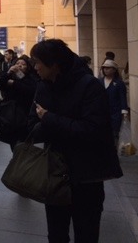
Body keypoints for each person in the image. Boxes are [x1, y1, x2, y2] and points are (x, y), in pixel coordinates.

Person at [30, 39, 122, 243]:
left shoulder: (89, 86)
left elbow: (92, 130)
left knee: (86, 234)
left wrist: (49, 119)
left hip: (87, 176)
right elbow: (32, 126)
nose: (35, 67)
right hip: (55, 174)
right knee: (56, 235)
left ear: (54, 64)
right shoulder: (43, 86)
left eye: (38, 63)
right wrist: (44, 124)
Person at [0, 55, 38, 150]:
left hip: (24, 114)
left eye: (23, 64)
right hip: (10, 115)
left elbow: (30, 90)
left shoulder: (30, 78)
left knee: (23, 143)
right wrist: (8, 73)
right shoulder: (10, 76)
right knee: (13, 142)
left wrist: (16, 81)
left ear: (28, 67)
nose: (20, 65)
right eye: (17, 63)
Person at [98, 59, 129, 146]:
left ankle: (114, 150)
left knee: (114, 134)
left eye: (108, 68)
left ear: (114, 70)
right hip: (102, 112)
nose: (105, 70)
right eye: (104, 68)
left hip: (115, 113)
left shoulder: (119, 83)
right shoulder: (99, 81)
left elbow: (123, 98)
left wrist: (124, 112)